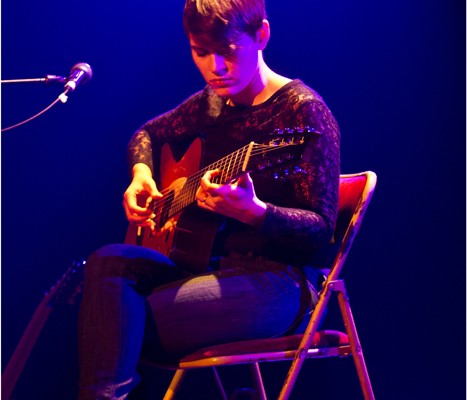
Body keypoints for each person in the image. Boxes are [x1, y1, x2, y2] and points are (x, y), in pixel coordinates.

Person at [78, 0, 340, 398]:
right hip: (212, 268)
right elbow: (146, 135)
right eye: (201, 53)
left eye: (229, 52)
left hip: (279, 284)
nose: (215, 67)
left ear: (261, 36)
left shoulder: (304, 113)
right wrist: (142, 174)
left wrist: (256, 214)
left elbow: (321, 232)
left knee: (115, 326)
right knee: (107, 264)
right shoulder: (212, 104)